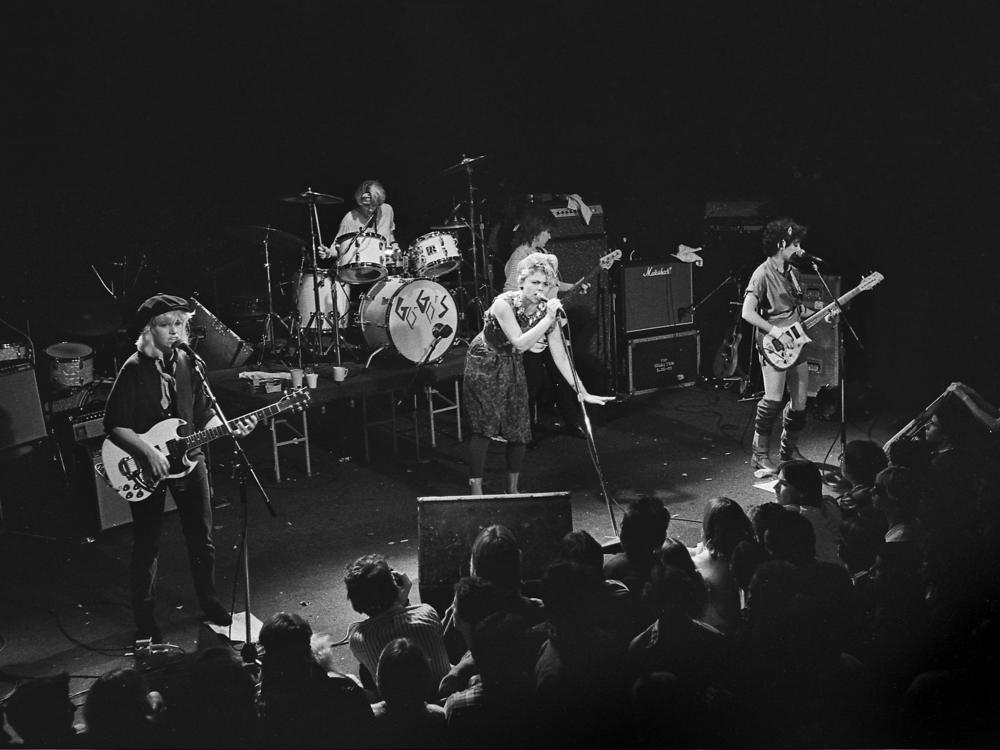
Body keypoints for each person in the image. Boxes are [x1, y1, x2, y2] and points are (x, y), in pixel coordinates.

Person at [103, 294, 257, 642]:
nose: (174, 331)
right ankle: (145, 619)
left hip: (190, 459)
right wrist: (148, 452)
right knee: (148, 543)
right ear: (148, 329)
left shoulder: (191, 362)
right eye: (164, 325)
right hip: (146, 464)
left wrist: (229, 424)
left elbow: (205, 411)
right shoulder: (133, 369)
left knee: (202, 538)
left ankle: (211, 602)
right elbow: (114, 424)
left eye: (178, 324)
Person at [463, 252, 612, 495]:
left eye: (545, 284)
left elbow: (561, 356)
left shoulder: (545, 311)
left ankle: (513, 490)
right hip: (485, 360)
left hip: (511, 361)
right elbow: (520, 343)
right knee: (485, 426)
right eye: (534, 282)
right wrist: (549, 318)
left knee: (519, 427)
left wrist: (583, 392)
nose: (539, 288)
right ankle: (476, 490)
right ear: (522, 282)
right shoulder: (504, 303)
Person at [742, 218, 831, 474]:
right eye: (795, 244)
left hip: (797, 341)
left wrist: (825, 312)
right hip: (775, 343)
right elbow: (748, 313)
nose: (799, 248)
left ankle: (788, 450)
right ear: (781, 244)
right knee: (773, 399)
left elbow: (799, 309)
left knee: (800, 401)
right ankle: (759, 454)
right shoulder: (761, 274)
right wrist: (775, 331)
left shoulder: (792, 273)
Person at [502, 205, 588, 438]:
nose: (550, 235)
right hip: (530, 328)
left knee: (561, 373)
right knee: (532, 382)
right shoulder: (519, 257)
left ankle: (572, 421)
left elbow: (551, 284)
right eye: (547, 231)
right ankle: (523, 430)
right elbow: (510, 291)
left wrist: (574, 286)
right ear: (536, 229)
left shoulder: (541, 253)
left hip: (550, 328)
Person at [319, 179, 402, 271]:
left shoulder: (387, 210)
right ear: (359, 201)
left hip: (387, 266)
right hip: (362, 270)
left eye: (374, 205)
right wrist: (329, 253)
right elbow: (339, 247)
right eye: (366, 205)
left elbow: (390, 234)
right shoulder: (350, 218)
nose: (370, 209)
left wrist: (395, 246)